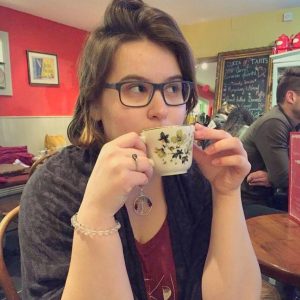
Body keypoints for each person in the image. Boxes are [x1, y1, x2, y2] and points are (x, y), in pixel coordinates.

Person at [18, 1, 261, 299]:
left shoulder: (195, 178)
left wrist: (226, 193)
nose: (161, 111)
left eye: (173, 88)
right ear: (94, 104)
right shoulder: (53, 189)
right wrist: (96, 215)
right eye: (136, 88)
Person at [241, 67, 300, 216]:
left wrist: (272, 177)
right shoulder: (274, 122)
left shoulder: (293, 124)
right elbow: (285, 178)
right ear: (291, 97)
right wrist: (277, 177)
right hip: (246, 202)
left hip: (268, 197)